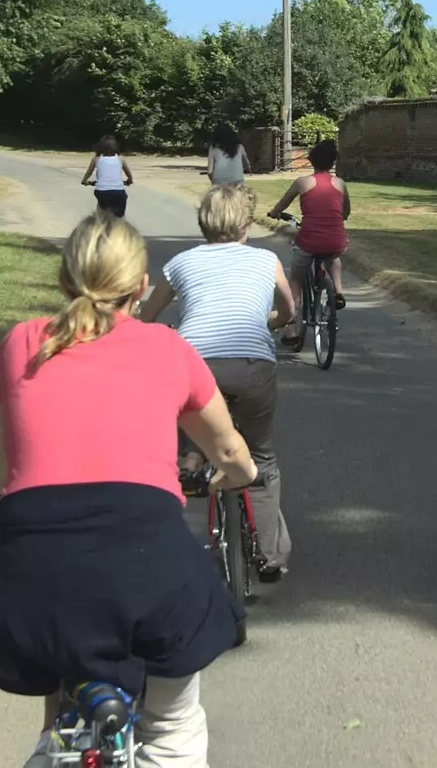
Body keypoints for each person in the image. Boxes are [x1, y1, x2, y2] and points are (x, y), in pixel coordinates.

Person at [0, 211, 256, 768]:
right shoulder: (168, 348)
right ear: (142, 288)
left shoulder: (22, 342)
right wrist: (240, 476)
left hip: (37, 577)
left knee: (59, 723)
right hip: (150, 570)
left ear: (61, 281)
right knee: (172, 726)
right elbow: (227, 451)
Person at [138, 183, 296, 580]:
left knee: (192, 409)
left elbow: (147, 317)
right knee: (260, 457)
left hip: (196, 362)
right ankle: (269, 556)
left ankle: (192, 458)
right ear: (246, 225)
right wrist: (270, 324)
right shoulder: (266, 260)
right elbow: (288, 310)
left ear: (203, 223)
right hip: (252, 364)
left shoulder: (180, 263)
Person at [267, 139, 350, 339]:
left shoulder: (302, 182)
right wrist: (341, 216)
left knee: (296, 278)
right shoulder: (340, 183)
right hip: (334, 239)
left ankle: (293, 327)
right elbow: (346, 210)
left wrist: (275, 212)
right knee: (333, 256)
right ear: (332, 163)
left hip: (309, 240)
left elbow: (282, 206)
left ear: (311, 162)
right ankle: (338, 290)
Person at [81, 135, 133, 217]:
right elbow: (129, 175)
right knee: (120, 216)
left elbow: (89, 173)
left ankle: (99, 223)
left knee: (101, 211)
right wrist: (129, 181)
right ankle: (120, 224)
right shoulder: (120, 159)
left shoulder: (96, 159)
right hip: (118, 192)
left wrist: (84, 181)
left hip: (101, 191)